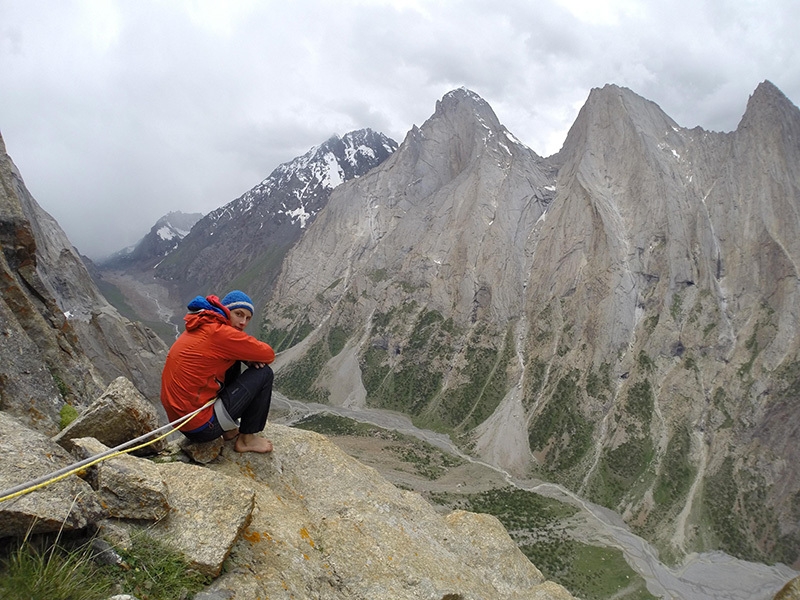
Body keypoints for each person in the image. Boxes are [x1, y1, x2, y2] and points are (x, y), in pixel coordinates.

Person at [160, 290, 275, 453]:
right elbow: (268, 354)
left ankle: (229, 431)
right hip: (202, 426)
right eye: (238, 314)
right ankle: (247, 439)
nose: (243, 322)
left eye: (247, 318)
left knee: (235, 357)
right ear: (226, 310)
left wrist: (244, 357)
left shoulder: (204, 325)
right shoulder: (221, 334)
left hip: (184, 421)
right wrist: (248, 357)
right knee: (264, 374)